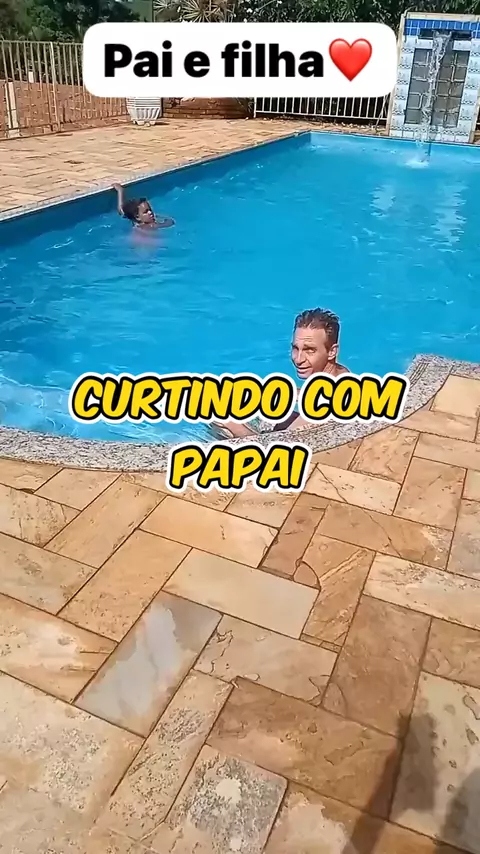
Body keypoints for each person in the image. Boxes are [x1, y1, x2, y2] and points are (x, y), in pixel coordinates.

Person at [216, 308, 349, 438]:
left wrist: (231, 425)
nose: (298, 359)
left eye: (309, 350)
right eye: (295, 348)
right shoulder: (340, 375)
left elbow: (277, 447)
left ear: (332, 351)